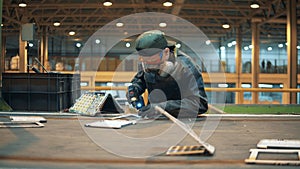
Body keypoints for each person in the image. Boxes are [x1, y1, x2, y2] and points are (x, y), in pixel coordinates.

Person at [127, 30, 208, 119]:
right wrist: (134, 90)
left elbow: (200, 104)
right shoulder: (147, 63)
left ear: (166, 52)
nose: (150, 67)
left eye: (154, 62)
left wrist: (162, 107)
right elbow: (140, 80)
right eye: (146, 63)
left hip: (182, 122)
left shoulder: (186, 68)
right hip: (153, 120)